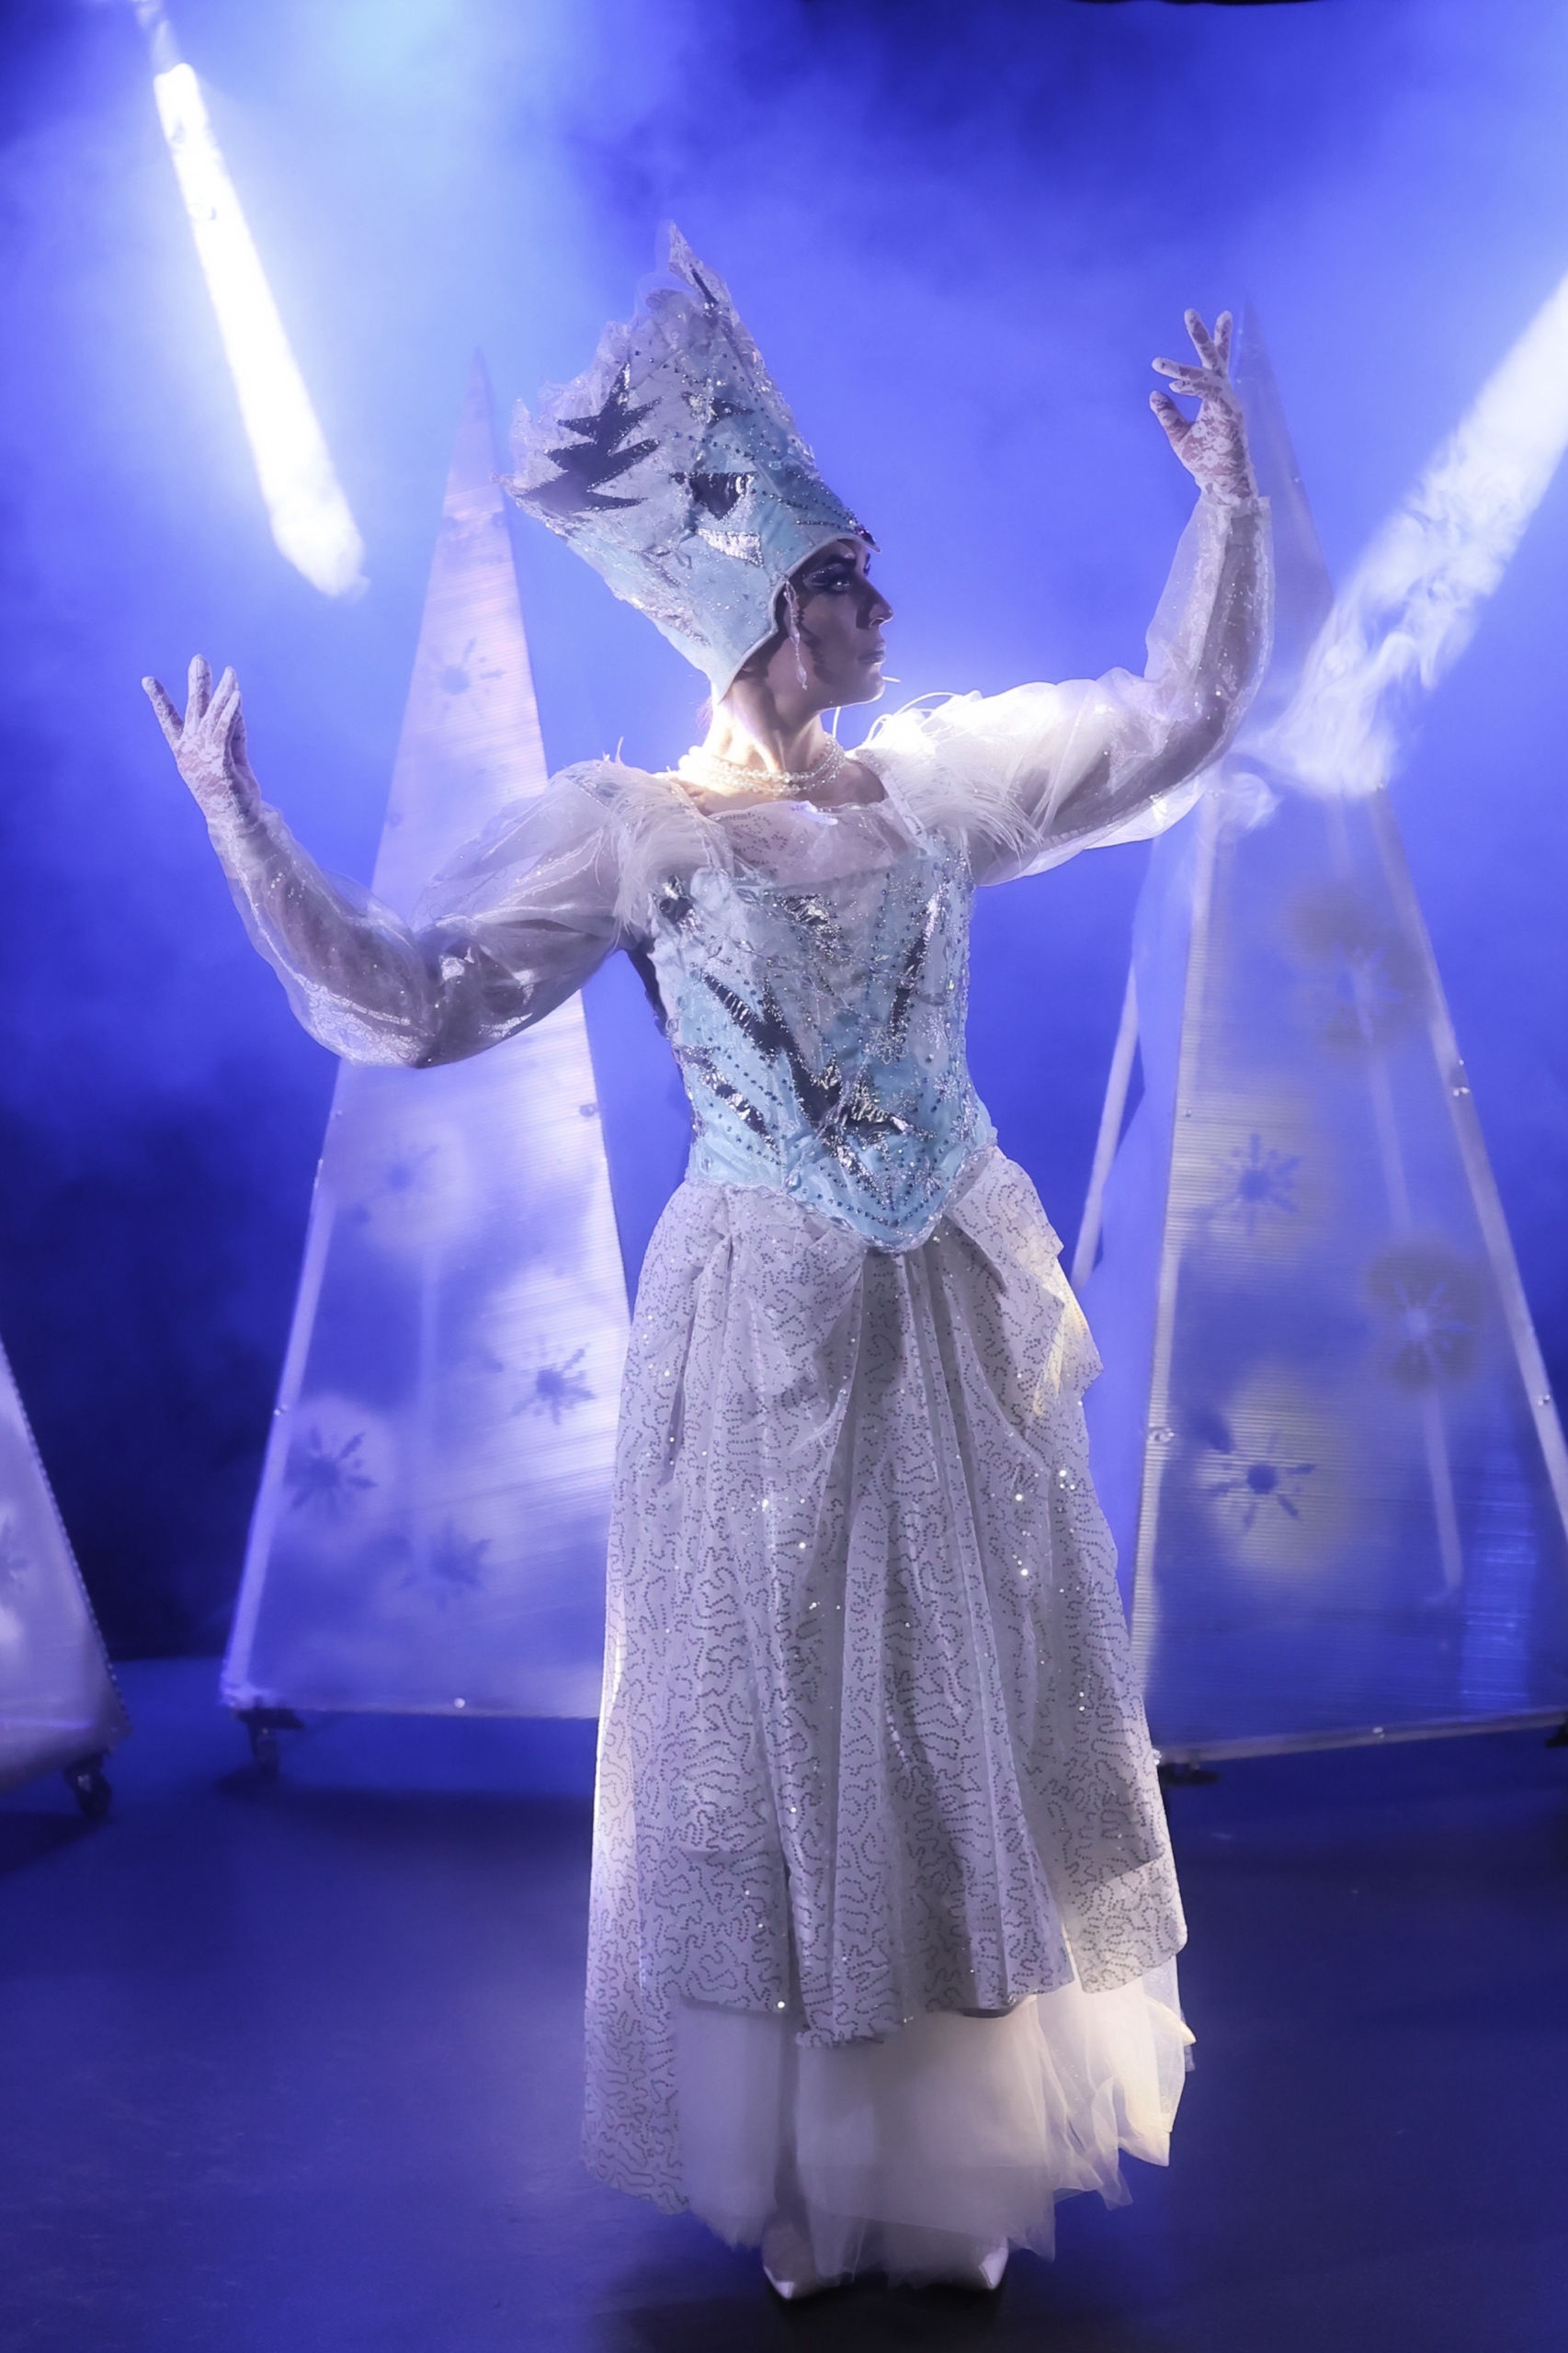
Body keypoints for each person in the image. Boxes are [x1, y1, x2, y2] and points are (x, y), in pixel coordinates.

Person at [146, 231, 1269, 2297]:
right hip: (760, 1323)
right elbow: (414, 997)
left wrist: (1228, 514)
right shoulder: (636, 832)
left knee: (958, 1697)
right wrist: (244, 824)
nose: (883, 612)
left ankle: (950, 2145)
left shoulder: (932, 792)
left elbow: (1174, 716)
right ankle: (813, 2164)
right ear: (762, 610)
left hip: (941, 1304)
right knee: (781, 1713)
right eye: (848, 580)